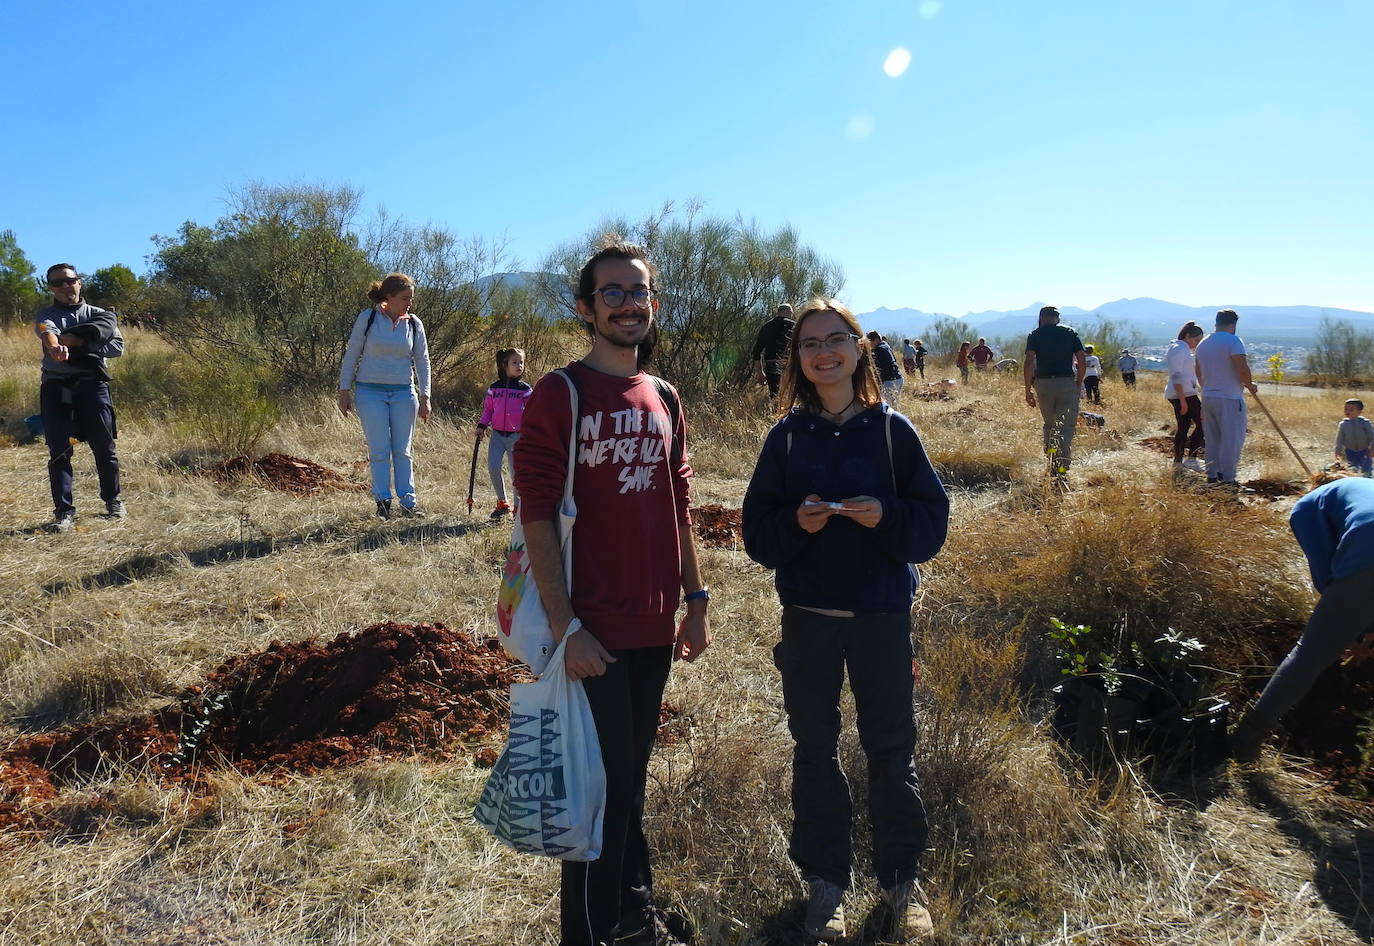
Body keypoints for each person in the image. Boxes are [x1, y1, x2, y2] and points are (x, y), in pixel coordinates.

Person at [514, 243, 710, 946]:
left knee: (627, 785)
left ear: (654, 303)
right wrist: (567, 628)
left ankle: (633, 918)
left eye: (640, 292)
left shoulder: (665, 396)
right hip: (591, 632)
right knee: (598, 798)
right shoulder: (560, 393)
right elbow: (536, 513)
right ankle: (594, 932)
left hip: (654, 625)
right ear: (586, 308)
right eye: (613, 293)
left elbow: (679, 506)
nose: (629, 304)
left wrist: (695, 601)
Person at [743, 299, 948, 944]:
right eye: (810, 344)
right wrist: (794, 524)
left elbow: (931, 528)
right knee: (814, 751)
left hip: (880, 619)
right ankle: (826, 886)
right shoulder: (786, 438)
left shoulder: (893, 433)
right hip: (807, 622)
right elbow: (757, 535)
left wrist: (885, 516)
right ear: (797, 359)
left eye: (835, 340)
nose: (823, 352)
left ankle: (902, 885)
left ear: (859, 349)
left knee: (891, 751)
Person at [1231, 477, 1374, 761]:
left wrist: (1350, 630)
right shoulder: (1360, 490)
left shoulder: (1305, 508)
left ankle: (1246, 738)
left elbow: (1326, 577)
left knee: (1311, 653)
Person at [34, 263, 125, 531]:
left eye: (69, 280)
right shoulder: (45, 315)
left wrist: (77, 342)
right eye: (57, 283)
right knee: (59, 451)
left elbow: (116, 347)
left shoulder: (100, 315)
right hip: (56, 387)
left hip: (93, 386)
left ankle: (113, 501)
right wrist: (56, 348)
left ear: (79, 282)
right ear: (51, 288)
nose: (65, 286)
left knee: (105, 447)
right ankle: (64, 513)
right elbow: (48, 334)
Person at [337, 273, 432, 519]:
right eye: (405, 298)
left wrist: (425, 396)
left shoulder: (414, 324)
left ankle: (408, 503)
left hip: (404, 393)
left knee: (403, 450)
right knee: (379, 450)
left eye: (411, 298)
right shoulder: (368, 318)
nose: (409, 303)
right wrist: (344, 390)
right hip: (370, 392)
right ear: (388, 298)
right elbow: (352, 354)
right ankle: (382, 503)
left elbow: (422, 361)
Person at [1193, 309, 1257, 486]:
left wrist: (1207, 387)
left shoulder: (1203, 343)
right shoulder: (1233, 341)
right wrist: (1250, 384)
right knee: (1232, 439)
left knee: (1212, 439)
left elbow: (1197, 370)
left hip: (1208, 397)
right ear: (1233, 324)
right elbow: (1241, 367)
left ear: (1216, 322)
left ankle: (1212, 475)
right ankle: (1228, 479)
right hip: (1229, 398)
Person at [1023, 306, 1087, 476]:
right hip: (1066, 383)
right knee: (1065, 427)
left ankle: (1051, 460)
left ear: (1042, 318)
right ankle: (1061, 467)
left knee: (1050, 425)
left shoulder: (1035, 335)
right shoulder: (1070, 333)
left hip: (1043, 384)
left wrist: (1028, 390)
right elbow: (1082, 360)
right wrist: (1078, 383)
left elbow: (1029, 363)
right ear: (1057, 318)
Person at [477, 347, 533, 519]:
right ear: (505, 365)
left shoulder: (525, 389)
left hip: (517, 437)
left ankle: (518, 508)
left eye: (521, 362)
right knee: (493, 467)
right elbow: (488, 410)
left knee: (516, 472)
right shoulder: (494, 388)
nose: (519, 366)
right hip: (497, 436)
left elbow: (532, 411)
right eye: (514, 362)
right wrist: (481, 426)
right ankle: (502, 503)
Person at [1164, 322, 1206, 472]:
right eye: (1196, 340)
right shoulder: (1179, 349)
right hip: (1183, 394)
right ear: (1187, 336)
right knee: (1203, 423)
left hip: (1185, 393)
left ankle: (1179, 461)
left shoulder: (1182, 348)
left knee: (1184, 426)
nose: (1197, 344)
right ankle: (1191, 459)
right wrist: (1182, 400)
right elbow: (1176, 376)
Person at [751, 303, 796, 399]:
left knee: (775, 396)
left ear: (778, 313)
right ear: (789, 312)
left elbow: (756, 351)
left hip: (771, 365)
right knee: (791, 396)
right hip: (789, 365)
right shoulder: (794, 326)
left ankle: (776, 408)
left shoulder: (766, 327)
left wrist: (760, 372)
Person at [1334, 399, 1374, 477]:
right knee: (1352, 469)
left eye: (1351, 410)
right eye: (1346, 409)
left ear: (1359, 412)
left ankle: (1367, 480)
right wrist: (1338, 452)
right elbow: (1339, 440)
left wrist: (1372, 449)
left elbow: (1372, 437)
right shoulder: (1343, 424)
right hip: (1350, 452)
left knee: (1367, 470)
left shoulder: (1365, 423)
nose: (1347, 411)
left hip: (1364, 451)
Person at [867, 331, 903, 402]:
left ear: (876, 339)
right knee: (895, 403)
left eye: (870, 342)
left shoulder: (879, 349)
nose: (869, 344)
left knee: (886, 403)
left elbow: (879, 366)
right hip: (898, 378)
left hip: (889, 380)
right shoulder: (886, 346)